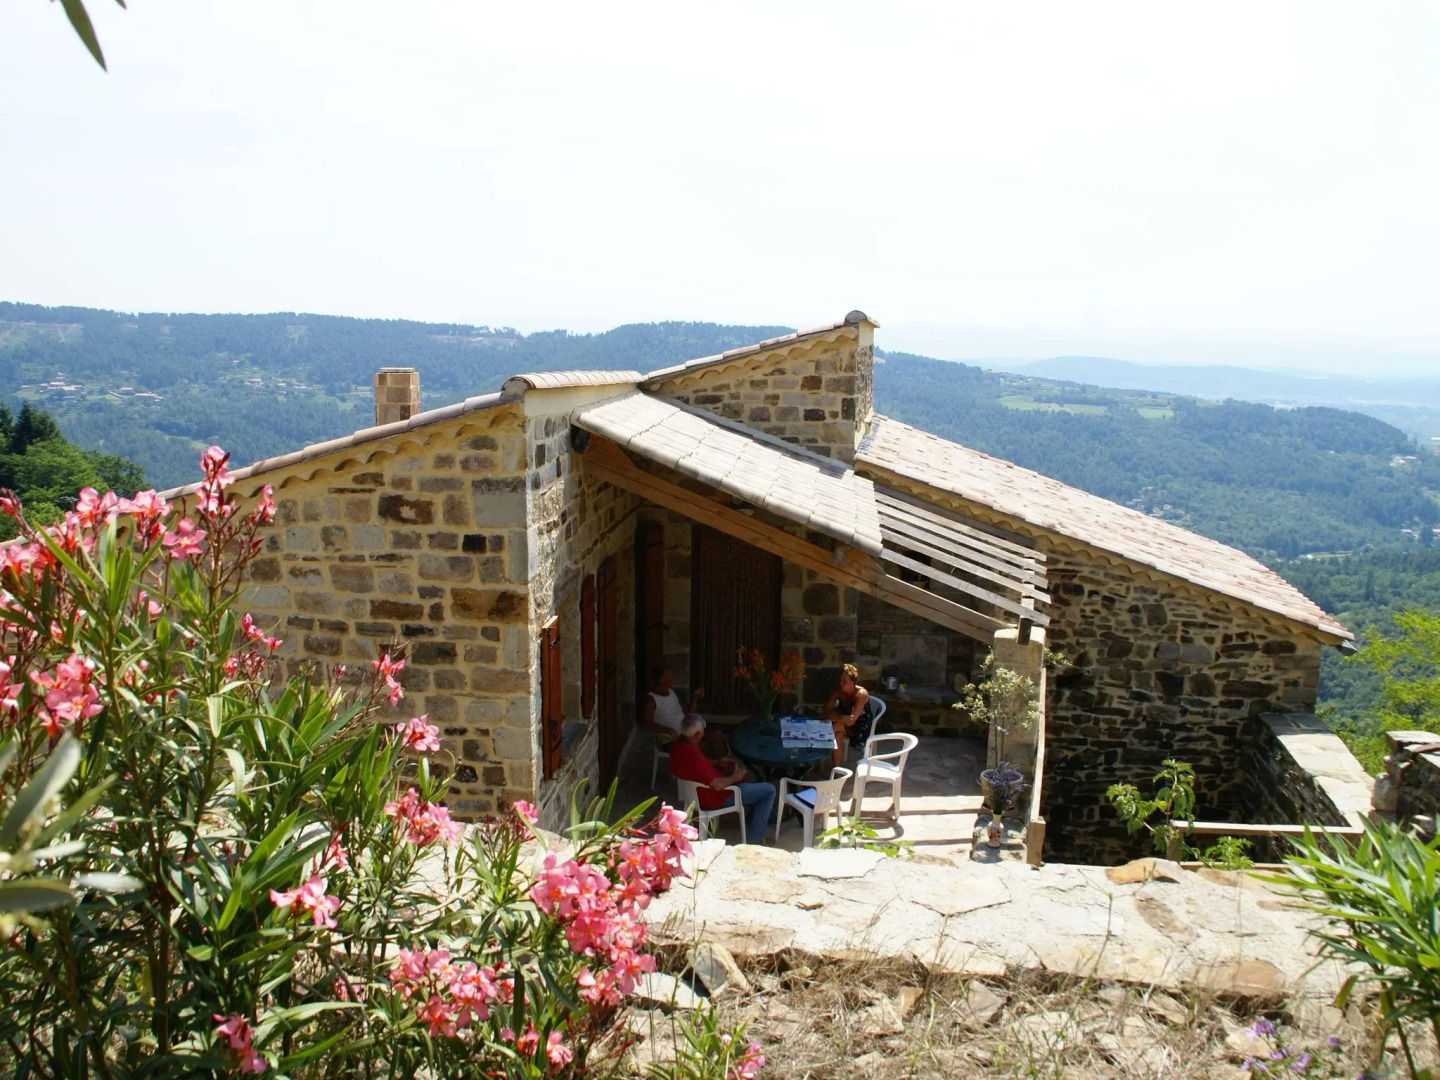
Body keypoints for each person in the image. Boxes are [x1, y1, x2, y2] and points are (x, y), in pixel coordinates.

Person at [668, 714, 775, 843]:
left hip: (694, 794)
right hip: (714, 797)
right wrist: (734, 777)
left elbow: (695, 768)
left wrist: (717, 762)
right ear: (698, 734)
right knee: (769, 790)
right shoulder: (693, 755)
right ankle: (755, 840)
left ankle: (764, 814)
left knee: (754, 788)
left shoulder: (677, 746)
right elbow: (717, 785)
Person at [825, 663, 875, 766]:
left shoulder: (861, 694)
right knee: (836, 736)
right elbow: (826, 710)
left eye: (844, 681)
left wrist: (835, 717)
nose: (841, 683)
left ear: (853, 682)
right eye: (840, 680)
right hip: (844, 723)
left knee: (830, 728)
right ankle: (837, 771)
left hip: (860, 726)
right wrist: (835, 715)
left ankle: (815, 751)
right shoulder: (838, 691)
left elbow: (852, 719)